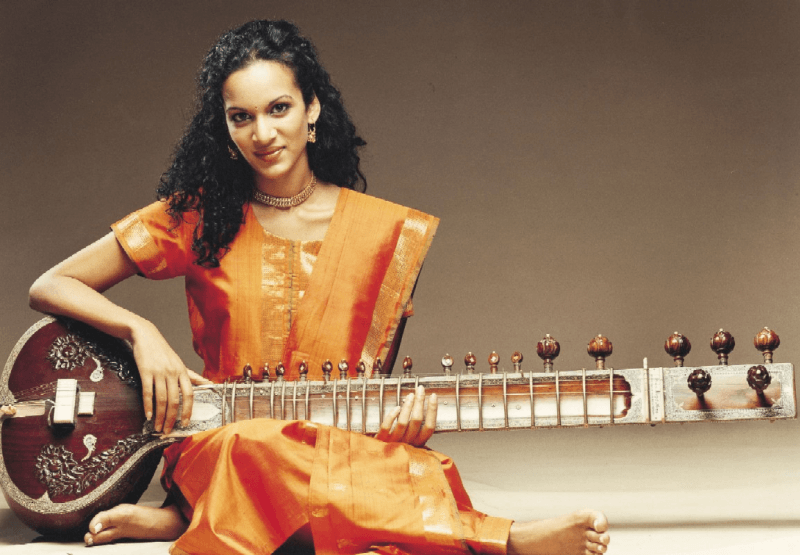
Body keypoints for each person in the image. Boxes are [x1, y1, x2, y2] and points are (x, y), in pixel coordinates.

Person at [28, 20, 610, 555]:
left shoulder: (381, 232)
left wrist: (399, 426)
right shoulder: (200, 215)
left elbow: (360, 397)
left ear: (312, 109)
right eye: (241, 117)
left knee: (405, 460)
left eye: (279, 108)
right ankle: (506, 540)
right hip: (220, 438)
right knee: (253, 446)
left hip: (332, 443)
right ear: (224, 127)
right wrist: (140, 332)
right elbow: (53, 284)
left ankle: (193, 518)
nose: (263, 133)